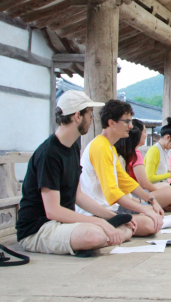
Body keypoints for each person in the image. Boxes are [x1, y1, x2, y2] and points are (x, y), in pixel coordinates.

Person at [16, 91, 133, 256]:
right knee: (96, 234)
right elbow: (53, 211)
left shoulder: (73, 147)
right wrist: (101, 222)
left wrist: (113, 216)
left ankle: (90, 241)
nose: (92, 119)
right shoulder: (49, 153)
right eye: (90, 114)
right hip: (38, 228)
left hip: (61, 223)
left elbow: (78, 195)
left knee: (122, 227)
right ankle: (89, 241)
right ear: (78, 116)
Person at [77, 99, 164, 237]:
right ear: (111, 123)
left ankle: (122, 229)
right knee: (149, 223)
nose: (130, 126)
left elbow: (124, 181)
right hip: (98, 210)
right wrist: (143, 208)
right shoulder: (100, 147)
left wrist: (151, 200)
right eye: (127, 122)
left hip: (110, 206)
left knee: (153, 216)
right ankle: (116, 230)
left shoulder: (109, 147)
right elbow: (112, 192)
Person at [115, 119, 171, 212]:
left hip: (134, 193)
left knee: (167, 187)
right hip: (136, 194)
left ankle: (163, 205)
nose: (146, 135)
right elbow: (145, 182)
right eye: (144, 132)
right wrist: (160, 192)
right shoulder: (139, 153)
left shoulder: (131, 152)